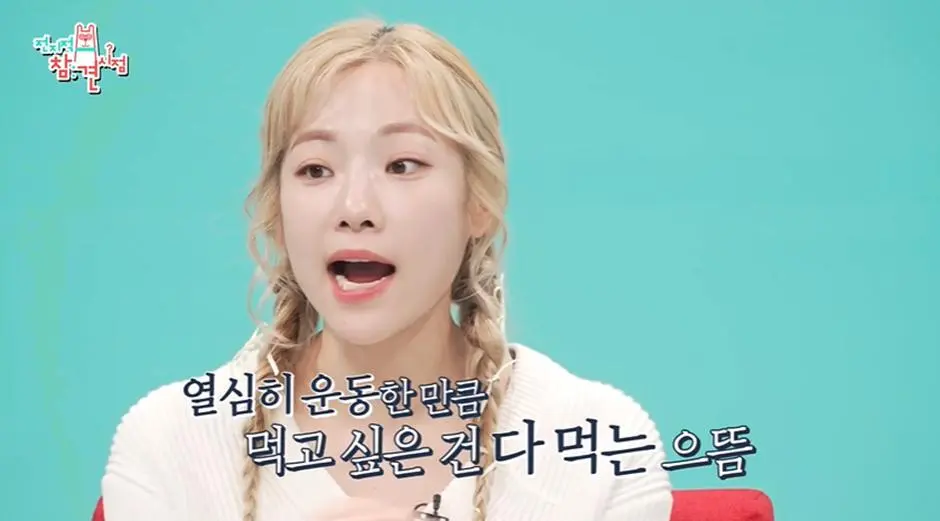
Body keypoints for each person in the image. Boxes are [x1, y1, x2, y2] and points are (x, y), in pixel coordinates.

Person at [101, 19, 673, 521]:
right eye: (315, 169)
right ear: (277, 211)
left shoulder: (597, 444)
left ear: (479, 202)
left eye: (402, 165)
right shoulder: (171, 441)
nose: (354, 209)